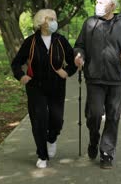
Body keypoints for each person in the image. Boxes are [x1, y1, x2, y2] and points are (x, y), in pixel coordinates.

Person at [74, 0, 121, 169]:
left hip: (116, 78)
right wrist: (79, 55)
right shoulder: (89, 23)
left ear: (112, 6)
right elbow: (80, 45)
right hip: (94, 78)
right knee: (93, 114)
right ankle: (93, 139)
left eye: (100, 2)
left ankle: (106, 153)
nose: (97, 5)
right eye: (96, 2)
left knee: (113, 117)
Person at [11, 9, 77, 169]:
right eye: (51, 19)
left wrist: (66, 72)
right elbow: (16, 62)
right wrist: (21, 76)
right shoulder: (31, 42)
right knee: (39, 120)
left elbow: (73, 61)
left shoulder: (60, 40)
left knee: (57, 120)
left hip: (56, 86)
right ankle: (42, 154)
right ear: (41, 22)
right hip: (36, 87)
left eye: (55, 19)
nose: (54, 21)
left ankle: (52, 139)